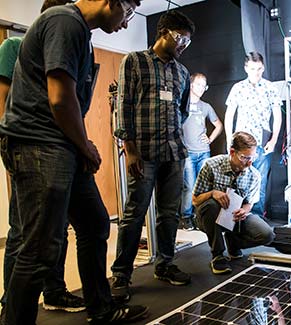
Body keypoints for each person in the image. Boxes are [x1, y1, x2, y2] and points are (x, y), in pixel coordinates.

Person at [0, 0, 149, 323]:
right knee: (39, 248)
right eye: (129, 10)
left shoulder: (80, 31)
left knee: (95, 223)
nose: (127, 22)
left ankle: (101, 308)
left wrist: (80, 145)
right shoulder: (64, 22)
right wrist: (86, 147)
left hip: (63, 144)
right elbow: (59, 97)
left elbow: (70, 102)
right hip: (40, 144)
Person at [0, 0, 86, 315]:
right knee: (23, 230)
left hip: (57, 147)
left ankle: (54, 290)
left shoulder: (65, 47)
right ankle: (11, 304)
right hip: (28, 144)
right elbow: (4, 99)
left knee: (56, 227)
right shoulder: (15, 45)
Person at [111, 9, 195, 303]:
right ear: (164, 33)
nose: (183, 45)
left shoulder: (182, 72)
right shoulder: (134, 62)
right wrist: (130, 150)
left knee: (169, 213)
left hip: (174, 152)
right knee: (134, 213)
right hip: (143, 153)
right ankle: (121, 274)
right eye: (180, 38)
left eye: (187, 41)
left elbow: (182, 110)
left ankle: (165, 264)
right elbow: (123, 106)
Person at [192, 131, 275, 274]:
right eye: (245, 158)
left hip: (235, 218)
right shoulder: (211, 166)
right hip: (211, 218)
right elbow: (195, 200)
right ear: (232, 152)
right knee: (210, 205)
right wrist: (213, 193)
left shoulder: (254, 175)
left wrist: (244, 211)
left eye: (252, 157)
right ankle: (218, 255)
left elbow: (249, 203)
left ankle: (233, 241)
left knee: (267, 235)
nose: (249, 162)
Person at [224, 51, 282, 217]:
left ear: (263, 68)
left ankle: (255, 219)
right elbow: (229, 115)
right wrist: (229, 139)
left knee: (259, 182)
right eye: (252, 69)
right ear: (246, 68)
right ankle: (232, 218)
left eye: (258, 69)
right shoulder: (238, 88)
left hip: (262, 143)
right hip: (241, 143)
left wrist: (274, 140)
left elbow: (277, 115)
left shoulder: (270, 88)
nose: (255, 73)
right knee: (235, 181)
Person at [179, 72, 223, 230]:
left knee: (203, 188)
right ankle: (186, 217)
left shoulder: (206, 107)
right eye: (199, 84)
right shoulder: (181, 104)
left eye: (204, 85)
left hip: (204, 152)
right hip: (188, 154)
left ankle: (200, 218)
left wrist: (210, 139)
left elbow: (219, 125)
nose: (202, 88)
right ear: (191, 85)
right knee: (189, 187)